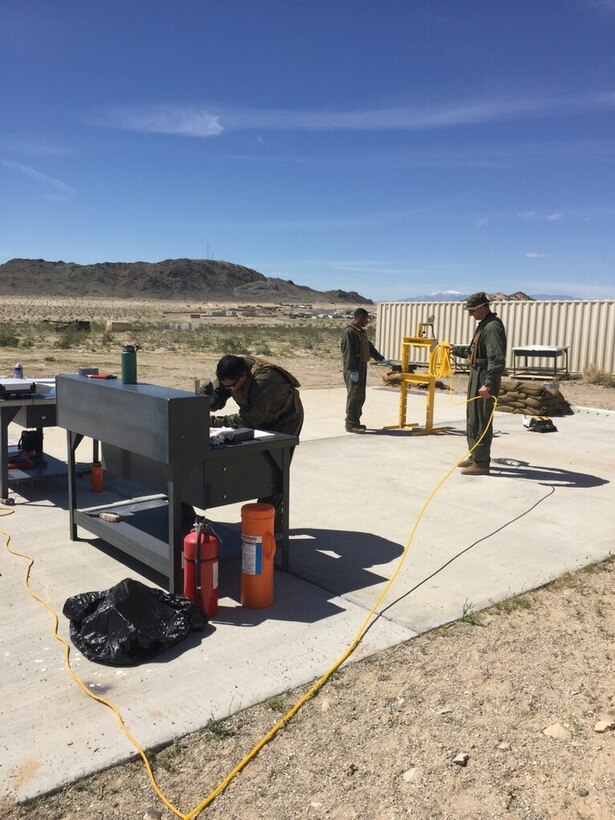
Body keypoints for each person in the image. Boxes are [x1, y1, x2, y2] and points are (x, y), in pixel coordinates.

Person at [201, 354, 304, 531]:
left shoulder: (264, 381)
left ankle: (269, 520)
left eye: (233, 385)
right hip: (261, 414)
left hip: (285, 419)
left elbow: (248, 420)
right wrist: (205, 402)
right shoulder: (230, 372)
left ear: (243, 376)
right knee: (257, 465)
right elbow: (219, 395)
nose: (230, 388)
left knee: (276, 469)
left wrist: (210, 422)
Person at [452, 292, 507, 475]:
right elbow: (474, 351)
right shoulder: (483, 326)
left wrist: (489, 383)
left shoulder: (492, 328)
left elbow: (496, 358)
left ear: (483, 307)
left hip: (485, 377)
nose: (470, 314)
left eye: (473, 310)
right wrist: (454, 349)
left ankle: (482, 462)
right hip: (477, 374)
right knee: (473, 418)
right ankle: (475, 456)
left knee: (482, 420)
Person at [341, 307, 390, 433]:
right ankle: (350, 424)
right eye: (366, 318)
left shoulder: (360, 332)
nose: (367, 321)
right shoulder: (349, 332)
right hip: (354, 368)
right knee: (354, 396)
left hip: (362, 365)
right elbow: (348, 353)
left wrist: (381, 359)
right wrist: (352, 370)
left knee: (360, 396)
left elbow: (369, 347)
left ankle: (356, 422)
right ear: (360, 317)